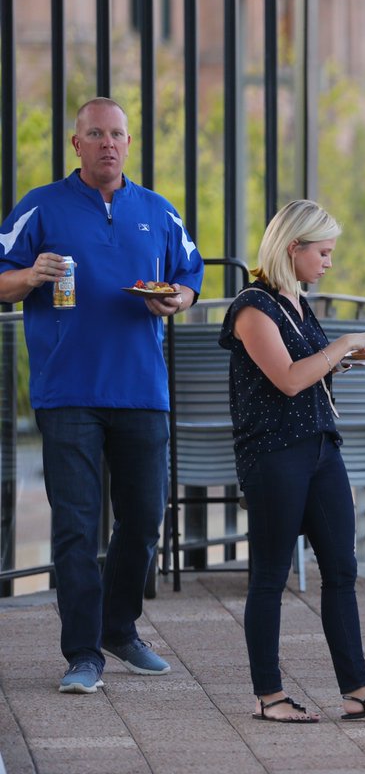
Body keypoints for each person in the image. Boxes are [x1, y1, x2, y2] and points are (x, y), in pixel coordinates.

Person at [0, 97, 203, 694]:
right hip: (68, 392)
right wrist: (30, 277)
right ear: (77, 143)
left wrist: (177, 300)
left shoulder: (157, 211)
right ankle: (82, 654)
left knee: (143, 519)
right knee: (76, 526)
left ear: (128, 143)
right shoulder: (41, 206)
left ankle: (120, 628)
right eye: (96, 134)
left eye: (117, 134)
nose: (108, 144)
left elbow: (190, 278)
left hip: (142, 391)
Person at [219, 199, 365, 723]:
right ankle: (269, 695)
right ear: (294, 248)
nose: (329, 262)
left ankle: (356, 688)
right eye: (324, 252)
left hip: (319, 448)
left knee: (341, 568)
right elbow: (286, 378)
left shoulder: (295, 301)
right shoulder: (253, 306)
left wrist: (352, 358)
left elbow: (308, 372)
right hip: (273, 454)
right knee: (269, 576)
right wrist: (348, 341)